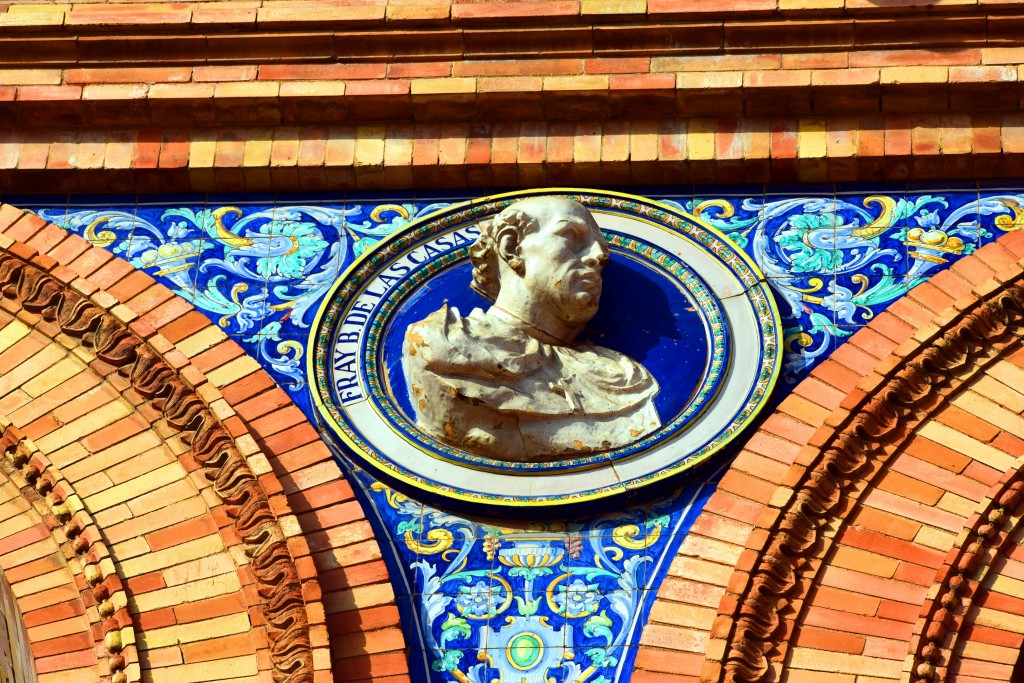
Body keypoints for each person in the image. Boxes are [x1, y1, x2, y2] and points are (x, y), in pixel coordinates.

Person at [402, 196, 660, 462]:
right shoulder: (440, 344)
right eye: (572, 236)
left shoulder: (623, 376)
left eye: (601, 250)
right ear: (512, 246)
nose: (599, 257)